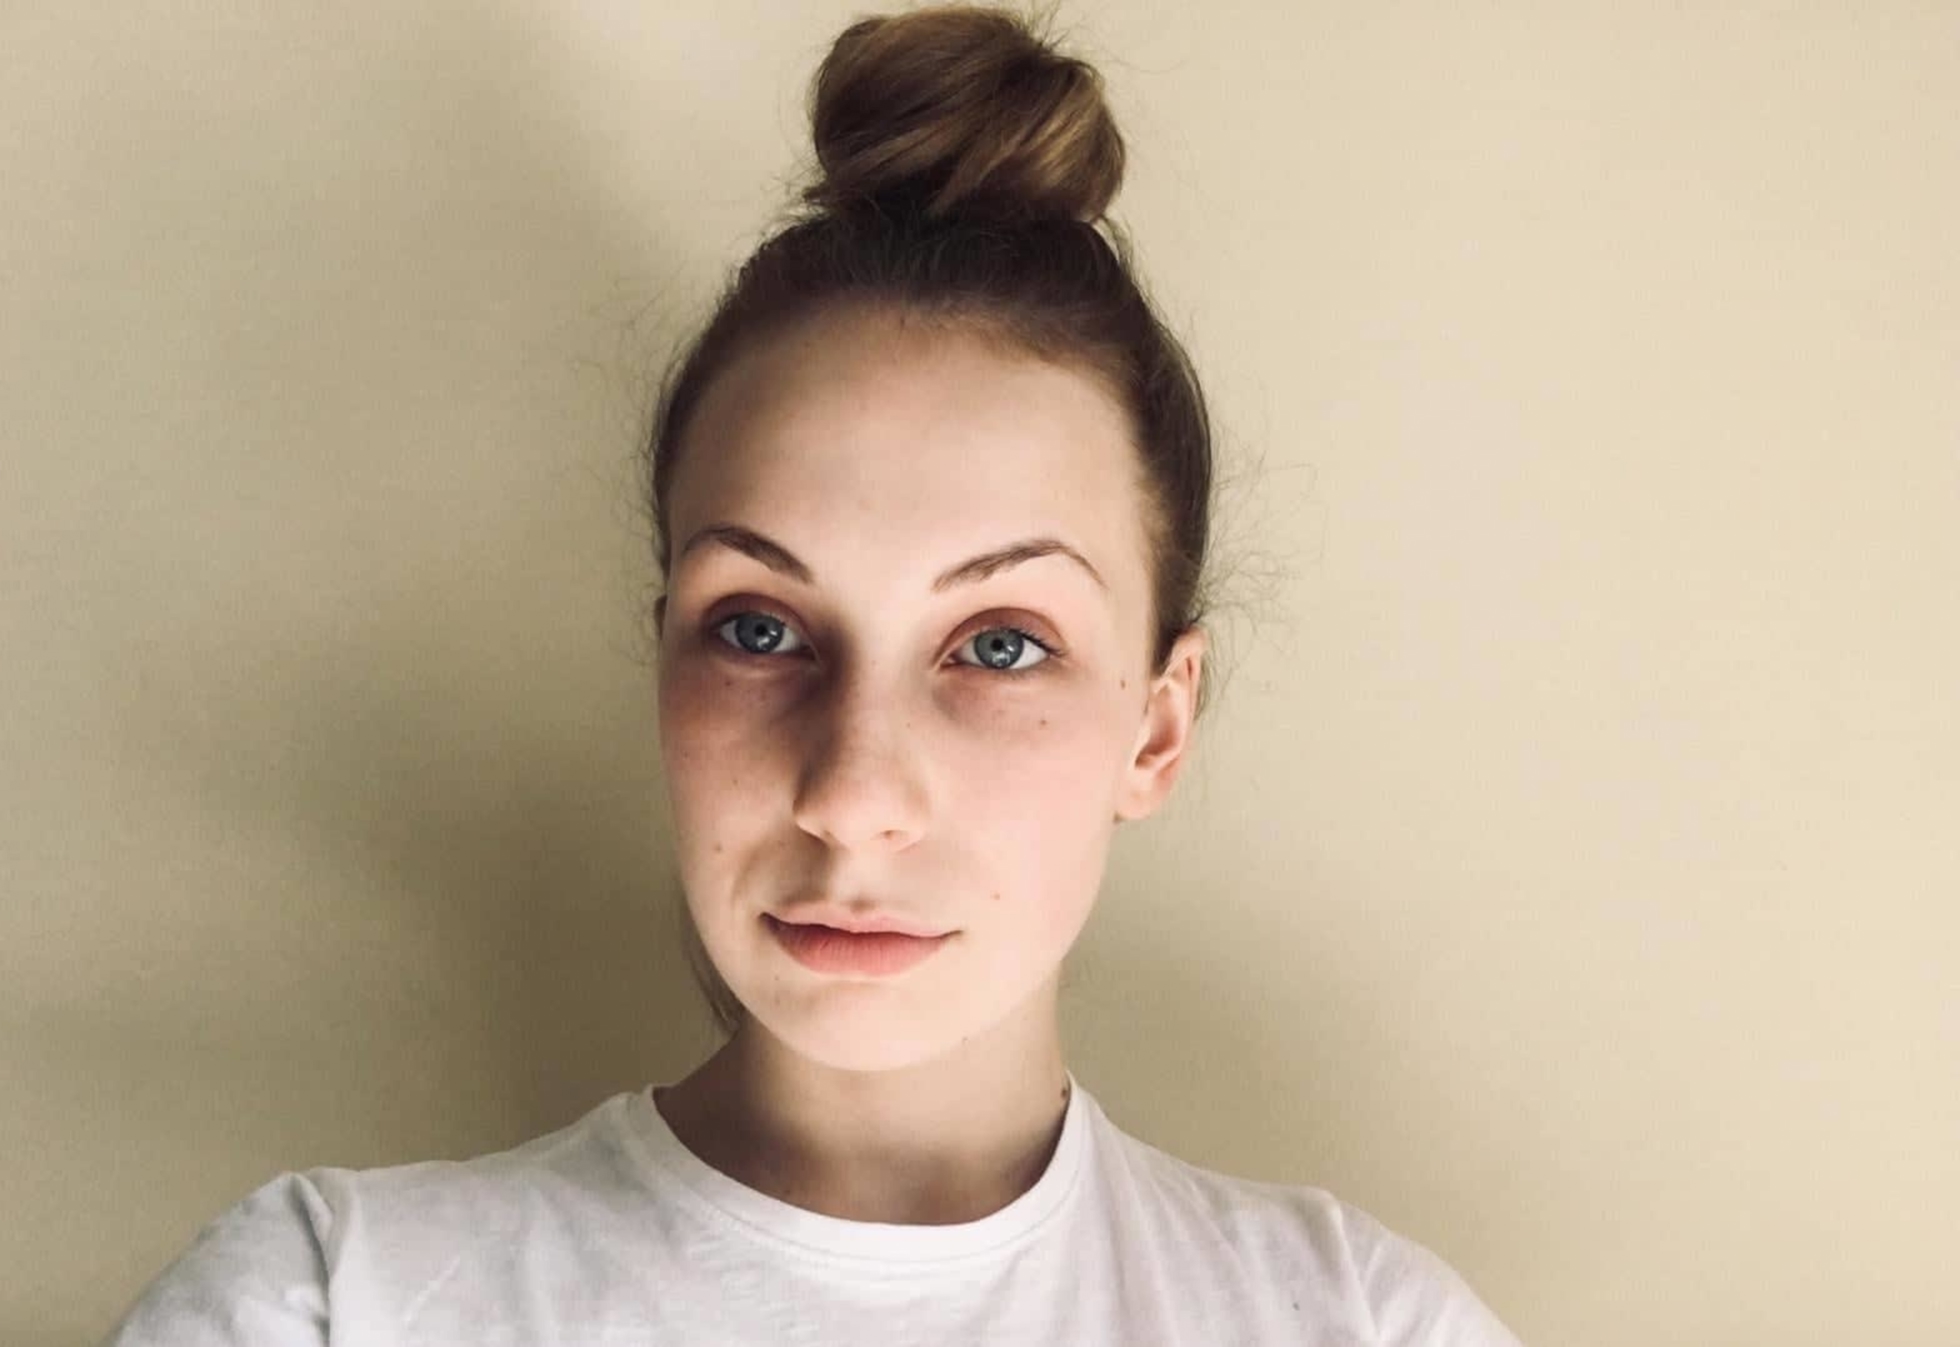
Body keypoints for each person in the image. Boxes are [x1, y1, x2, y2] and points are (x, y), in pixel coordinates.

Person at [101, 6, 1522, 1343]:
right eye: (759, 631)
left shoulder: (1360, 1326)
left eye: (1001, 645)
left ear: (1155, 729)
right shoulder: (327, 1302)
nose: (851, 795)